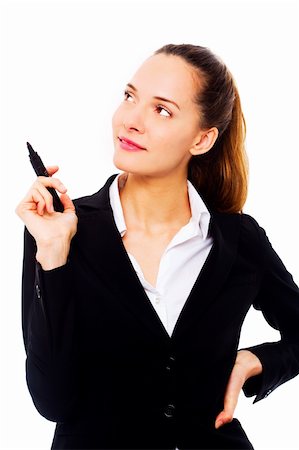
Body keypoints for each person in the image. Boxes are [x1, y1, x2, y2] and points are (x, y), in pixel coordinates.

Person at [15, 43, 299, 450]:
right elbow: (53, 400)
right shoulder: (59, 229)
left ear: (202, 139)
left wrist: (260, 361)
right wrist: (54, 256)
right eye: (130, 96)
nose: (131, 119)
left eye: (161, 109)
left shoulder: (239, 240)